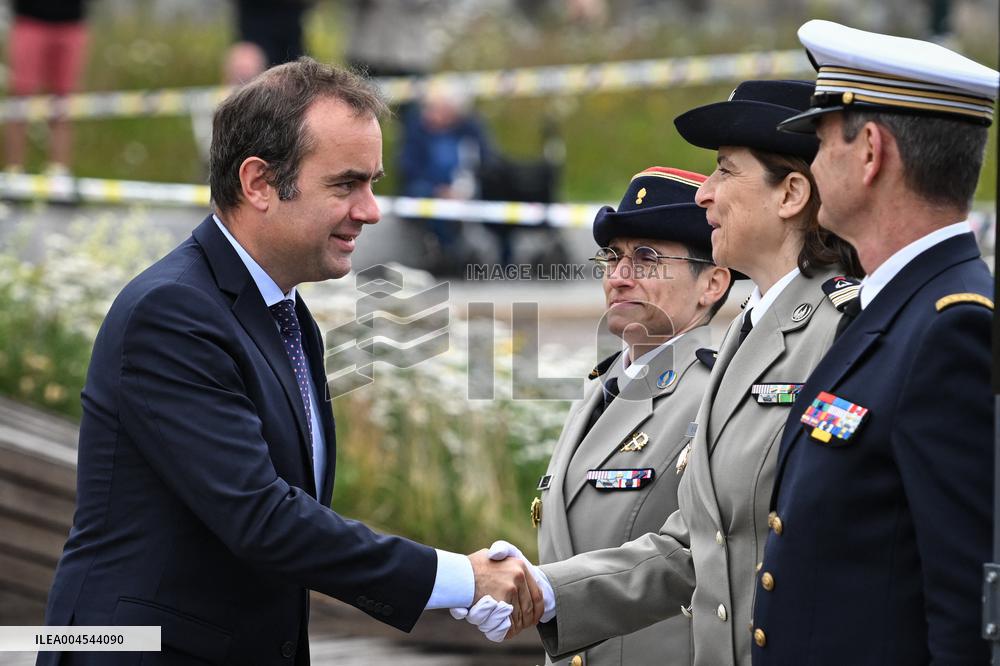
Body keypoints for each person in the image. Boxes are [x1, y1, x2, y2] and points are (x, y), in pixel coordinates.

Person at [38, 58, 541, 666]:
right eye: (345, 184)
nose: (371, 209)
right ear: (258, 183)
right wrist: (460, 578)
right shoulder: (173, 313)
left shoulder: (284, 310)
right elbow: (262, 518)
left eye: (374, 183)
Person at [456, 80, 864, 666]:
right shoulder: (739, 345)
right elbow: (696, 543)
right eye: (613, 258)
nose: (707, 194)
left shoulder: (842, 327)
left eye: (724, 171)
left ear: (791, 193)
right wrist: (544, 592)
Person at [750, 21, 996, 664]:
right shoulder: (898, 306)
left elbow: (969, 605)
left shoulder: (953, 327)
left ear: (870, 153)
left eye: (822, 138)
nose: (813, 159)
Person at [534, 166, 732, 666]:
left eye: (647, 258)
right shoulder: (601, 388)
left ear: (712, 283)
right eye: (613, 256)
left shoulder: (715, 395)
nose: (620, 275)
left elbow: (696, 556)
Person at [398, 86, 493, 272]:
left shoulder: (470, 132)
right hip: (427, 190)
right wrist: (438, 189)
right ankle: (445, 251)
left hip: (465, 190)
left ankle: (461, 253)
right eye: (428, 108)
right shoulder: (417, 132)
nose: (429, 114)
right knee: (427, 199)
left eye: (436, 109)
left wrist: (462, 189)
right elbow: (408, 168)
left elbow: (484, 163)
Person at [4, 0, 90, 176]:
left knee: (64, 103)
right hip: (29, 20)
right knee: (20, 101)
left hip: (71, 21)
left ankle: (59, 172)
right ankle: (14, 172)